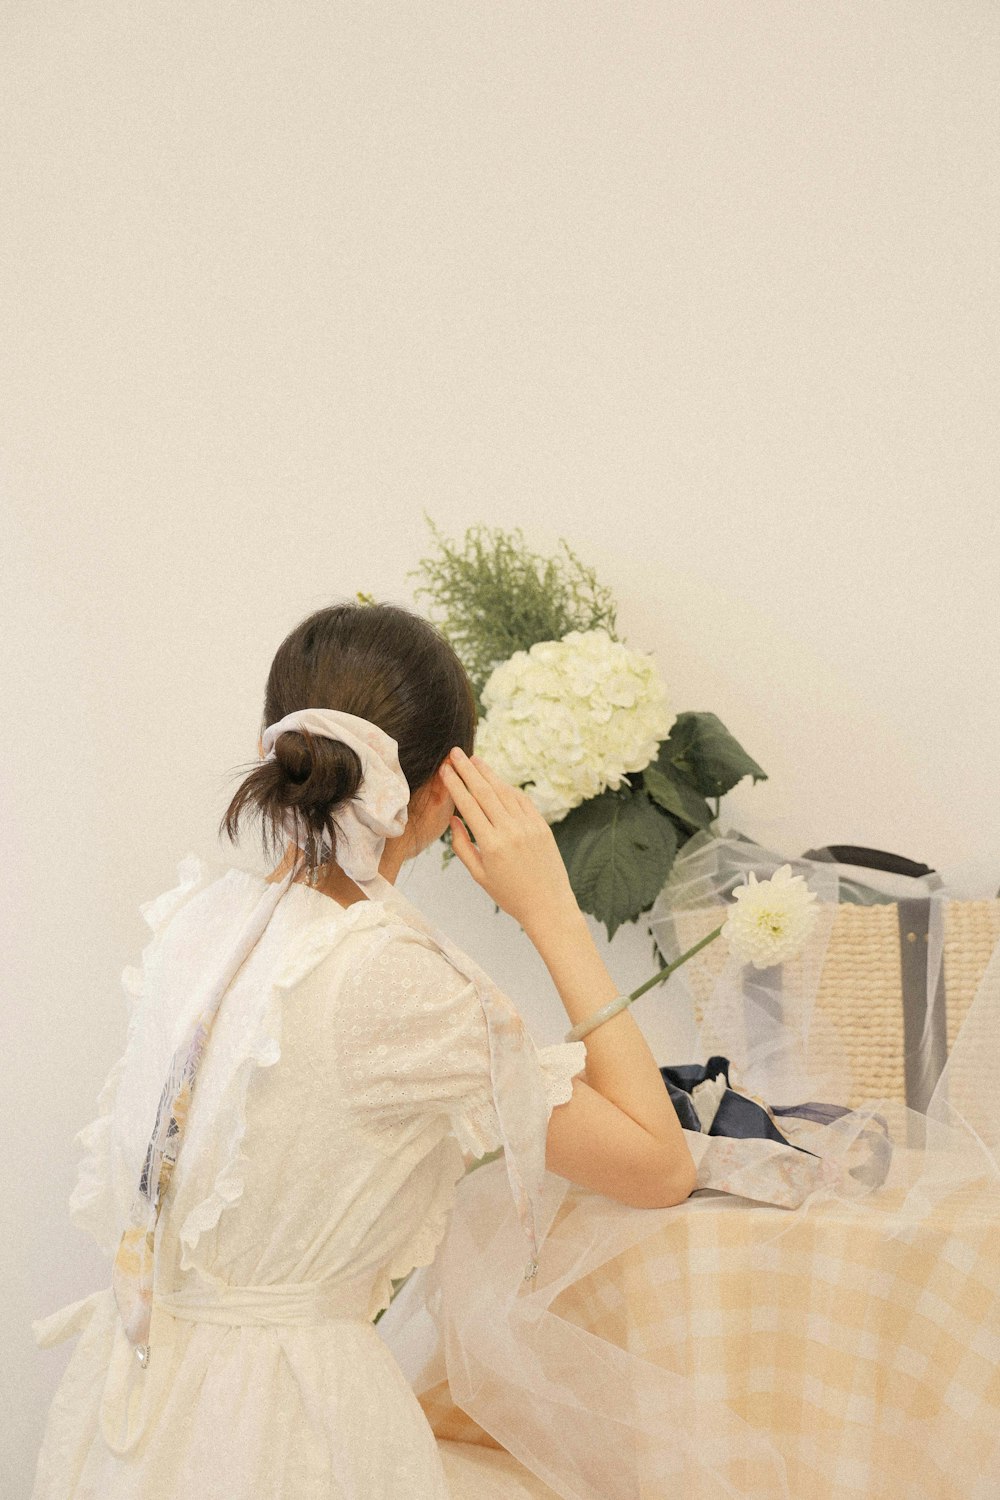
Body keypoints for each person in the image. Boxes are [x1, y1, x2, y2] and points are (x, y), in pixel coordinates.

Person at [29, 598, 699, 1499]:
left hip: (143, 1416)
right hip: (287, 1427)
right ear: (439, 792)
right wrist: (551, 911)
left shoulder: (193, 920)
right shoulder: (391, 978)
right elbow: (658, 1166)